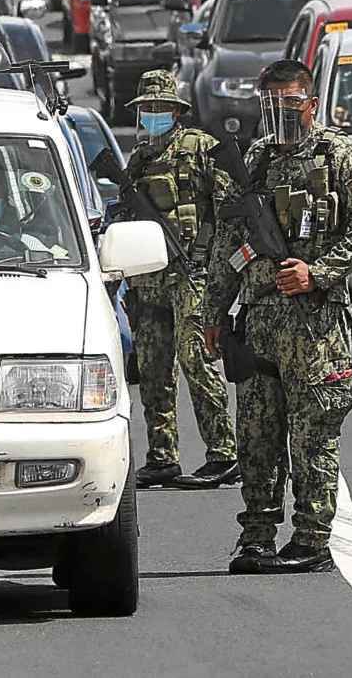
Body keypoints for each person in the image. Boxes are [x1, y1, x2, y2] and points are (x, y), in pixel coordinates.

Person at [202, 59, 352, 574]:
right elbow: (229, 242)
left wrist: (317, 272)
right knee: (256, 434)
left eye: (289, 102)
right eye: (270, 103)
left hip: (314, 324)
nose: (280, 112)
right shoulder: (254, 160)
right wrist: (214, 310)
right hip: (259, 320)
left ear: (311, 104)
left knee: (313, 434)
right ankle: (256, 535)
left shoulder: (339, 156)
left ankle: (311, 538)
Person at [118, 70, 239, 490]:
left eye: (160, 107)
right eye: (146, 108)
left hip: (192, 274)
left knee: (196, 360)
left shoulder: (200, 149)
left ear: (176, 110)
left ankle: (223, 453)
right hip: (149, 278)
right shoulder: (139, 160)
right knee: (153, 368)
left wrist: (211, 256)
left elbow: (228, 208)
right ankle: (162, 456)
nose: (153, 114)